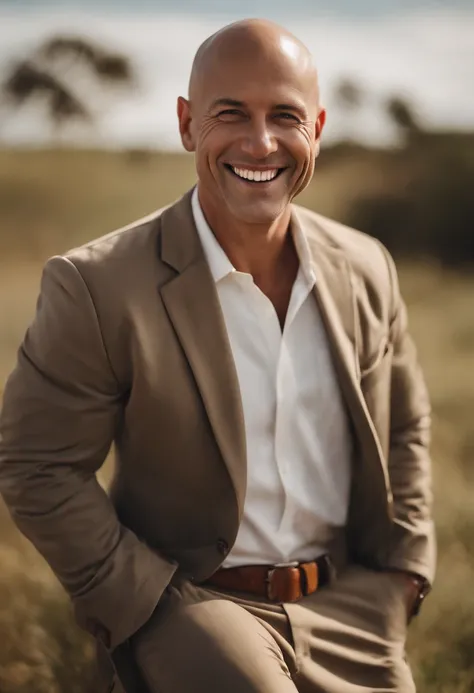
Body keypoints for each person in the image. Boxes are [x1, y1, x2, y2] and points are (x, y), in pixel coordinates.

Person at [0, 18, 435, 693]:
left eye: (284, 116)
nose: (260, 142)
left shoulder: (367, 266)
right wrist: (148, 605)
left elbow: (404, 427)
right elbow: (36, 462)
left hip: (355, 609)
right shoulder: (96, 283)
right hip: (197, 605)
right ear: (187, 124)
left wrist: (402, 576)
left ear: (316, 127)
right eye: (231, 113)